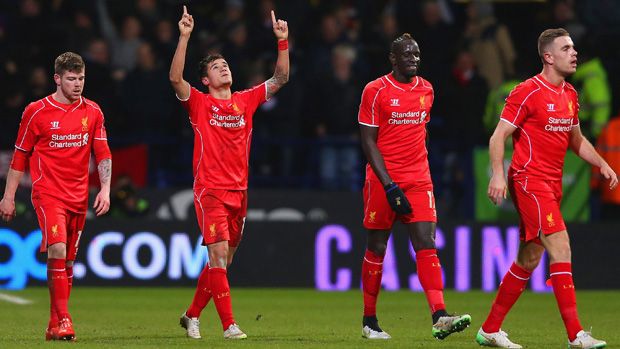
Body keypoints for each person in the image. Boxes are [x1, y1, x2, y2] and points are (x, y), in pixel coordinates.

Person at [477, 28, 617, 349]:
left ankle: (490, 329)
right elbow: (498, 136)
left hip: (551, 185)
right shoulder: (527, 91)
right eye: (566, 48)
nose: (574, 53)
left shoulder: (569, 95)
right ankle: (576, 335)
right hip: (529, 180)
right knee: (561, 245)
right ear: (548, 57)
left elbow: (577, 141)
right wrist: (498, 175)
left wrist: (602, 163)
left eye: (574, 47)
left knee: (529, 257)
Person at [169, 6, 289, 340]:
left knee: (223, 262)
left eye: (225, 64)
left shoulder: (245, 101)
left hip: (240, 192)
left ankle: (192, 314)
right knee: (218, 256)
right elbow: (175, 79)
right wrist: (184, 36)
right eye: (216, 67)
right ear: (206, 80)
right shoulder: (199, 103)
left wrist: (282, 42)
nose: (224, 68)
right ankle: (228, 325)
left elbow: (280, 78)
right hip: (210, 189)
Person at [357, 33, 471, 340]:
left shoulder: (427, 89)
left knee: (426, 241)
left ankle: (439, 315)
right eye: (407, 54)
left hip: (419, 179)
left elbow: (422, 130)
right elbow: (368, 142)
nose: (413, 59)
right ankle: (369, 320)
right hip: (383, 180)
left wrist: (421, 167)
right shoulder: (375, 90)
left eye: (417, 54)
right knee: (377, 246)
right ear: (393, 58)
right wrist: (389, 186)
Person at [0, 52, 112, 341]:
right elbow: (19, 157)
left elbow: (102, 153)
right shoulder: (36, 111)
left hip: (79, 195)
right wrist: (8, 196)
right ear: (57, 79)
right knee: (58, 249)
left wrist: (106, 188)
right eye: (72, 79)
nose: (77, 84)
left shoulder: (93, 111)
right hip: (48, 193)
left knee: (70, 261)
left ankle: (54, 323)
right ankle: (64, 319)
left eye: (81, 78)